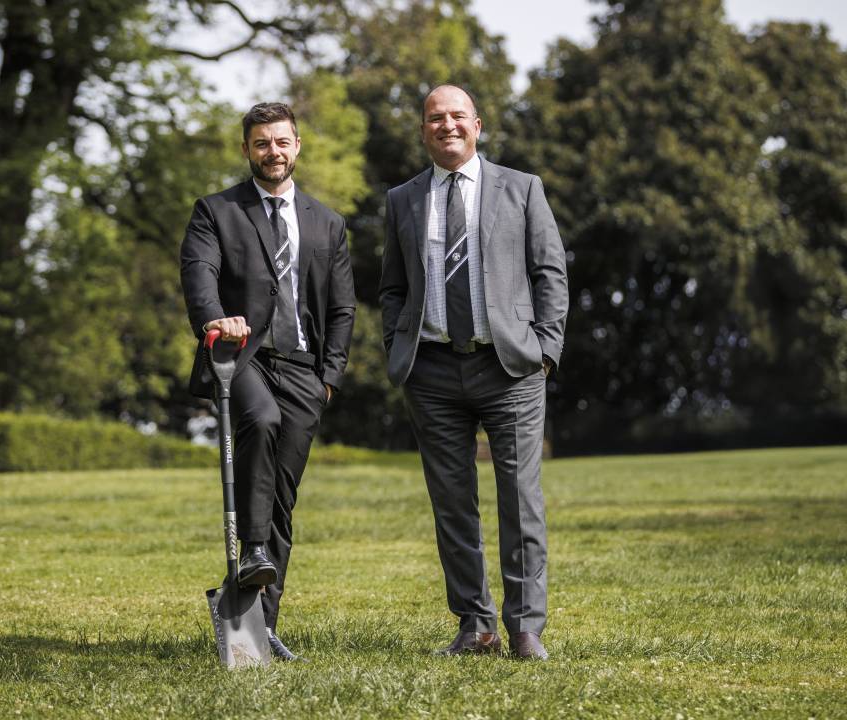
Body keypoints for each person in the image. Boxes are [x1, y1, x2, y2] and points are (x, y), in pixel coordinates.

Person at [379, 84, 568, 660]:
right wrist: (397, 347)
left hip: (510, 367)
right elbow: (392, 287)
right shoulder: (401, 200)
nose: (447, 125)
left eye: (457, 116)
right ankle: (475, 626)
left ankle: (524, 628)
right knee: (452, 503)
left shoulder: (522, 188)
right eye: (435, 118)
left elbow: (550, 273)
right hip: (431, 370)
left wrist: (546, 350)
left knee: (520, 497)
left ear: (478, 125)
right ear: (423, 130)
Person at [181, 102, 355, 662]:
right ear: (246, 149)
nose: (272, 152)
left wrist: (330, 376)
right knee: (261, 419)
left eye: (281, 142)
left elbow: (343, 307)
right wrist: (214, 320)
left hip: (305, 368)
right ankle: (252, 546)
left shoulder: (327, 222)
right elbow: (198, 274)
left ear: (296, 146)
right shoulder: (216, 211)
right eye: (261, 143)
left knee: (281, 499)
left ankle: (260, 633)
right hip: (242, 357)